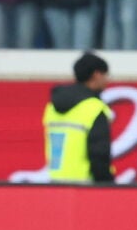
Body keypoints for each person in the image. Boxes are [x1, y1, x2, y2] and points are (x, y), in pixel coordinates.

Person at [44, 51, 114, 184]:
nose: (107, 80)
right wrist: (107, 183)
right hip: (85, 184)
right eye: (105, 75)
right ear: (97, 75)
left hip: (55, 181)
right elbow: (99, 153)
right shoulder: (94, 108)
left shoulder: (52, 106)